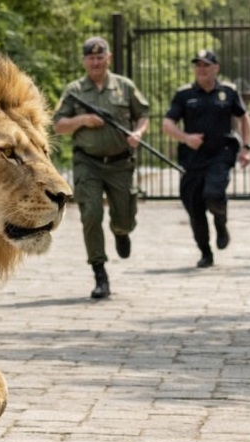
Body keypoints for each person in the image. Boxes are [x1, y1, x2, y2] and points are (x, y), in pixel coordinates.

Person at [53, 36, 149, 299]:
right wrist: (82, 120)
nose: (95, 62)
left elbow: (143, 114)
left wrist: (138, 133)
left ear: (108, 58)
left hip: (120, 162)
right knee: (91, 214)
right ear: (84, 61)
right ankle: (100, 273)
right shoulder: (74, 90)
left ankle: (121, 231)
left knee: (124, 217)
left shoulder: (124, 86)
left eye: (100, 57)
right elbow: (57, 125)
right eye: (90, 58)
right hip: (88, 162)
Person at [161, 49, 250, 268]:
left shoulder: (228, 91)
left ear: (216, 68)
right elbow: (167, 124)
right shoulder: (184, 94)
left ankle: (221, 225)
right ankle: (205, 252)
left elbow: (243, 118)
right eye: (197, 65)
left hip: (221, 154)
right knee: (194, 207)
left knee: (213, 194)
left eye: (205, 65)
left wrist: (246, 147)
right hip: (193, 159)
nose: (201, 69)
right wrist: (185, 138)